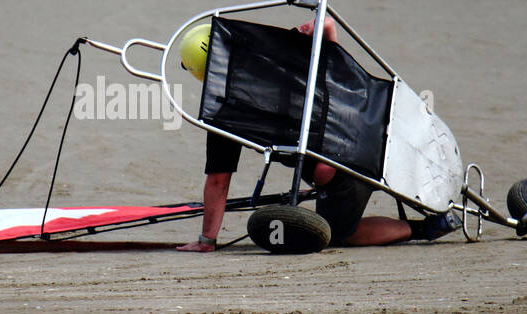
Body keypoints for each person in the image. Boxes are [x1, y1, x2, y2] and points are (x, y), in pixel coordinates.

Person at [176, 18, 461, 252]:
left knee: (334, 234)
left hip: (342, 170)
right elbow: (334, 61)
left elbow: (218, 182)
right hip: (382, 127)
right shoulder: (276, 53)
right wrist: (324, 27)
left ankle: (426, 227)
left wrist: (207, 240)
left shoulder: (226, 114)